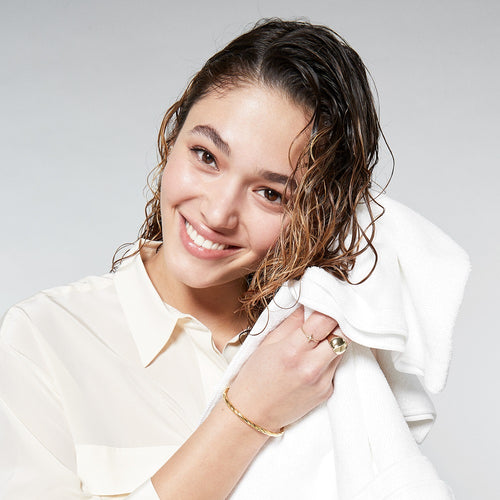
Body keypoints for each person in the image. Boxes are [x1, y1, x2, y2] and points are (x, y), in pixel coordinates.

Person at [0, 18, 432, 499]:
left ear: (315, 214)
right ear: (171, 137)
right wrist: (247, 412)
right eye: (207, 156)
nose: (218, 212)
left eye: (271, 193)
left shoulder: (327, 356)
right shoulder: (41, 341)